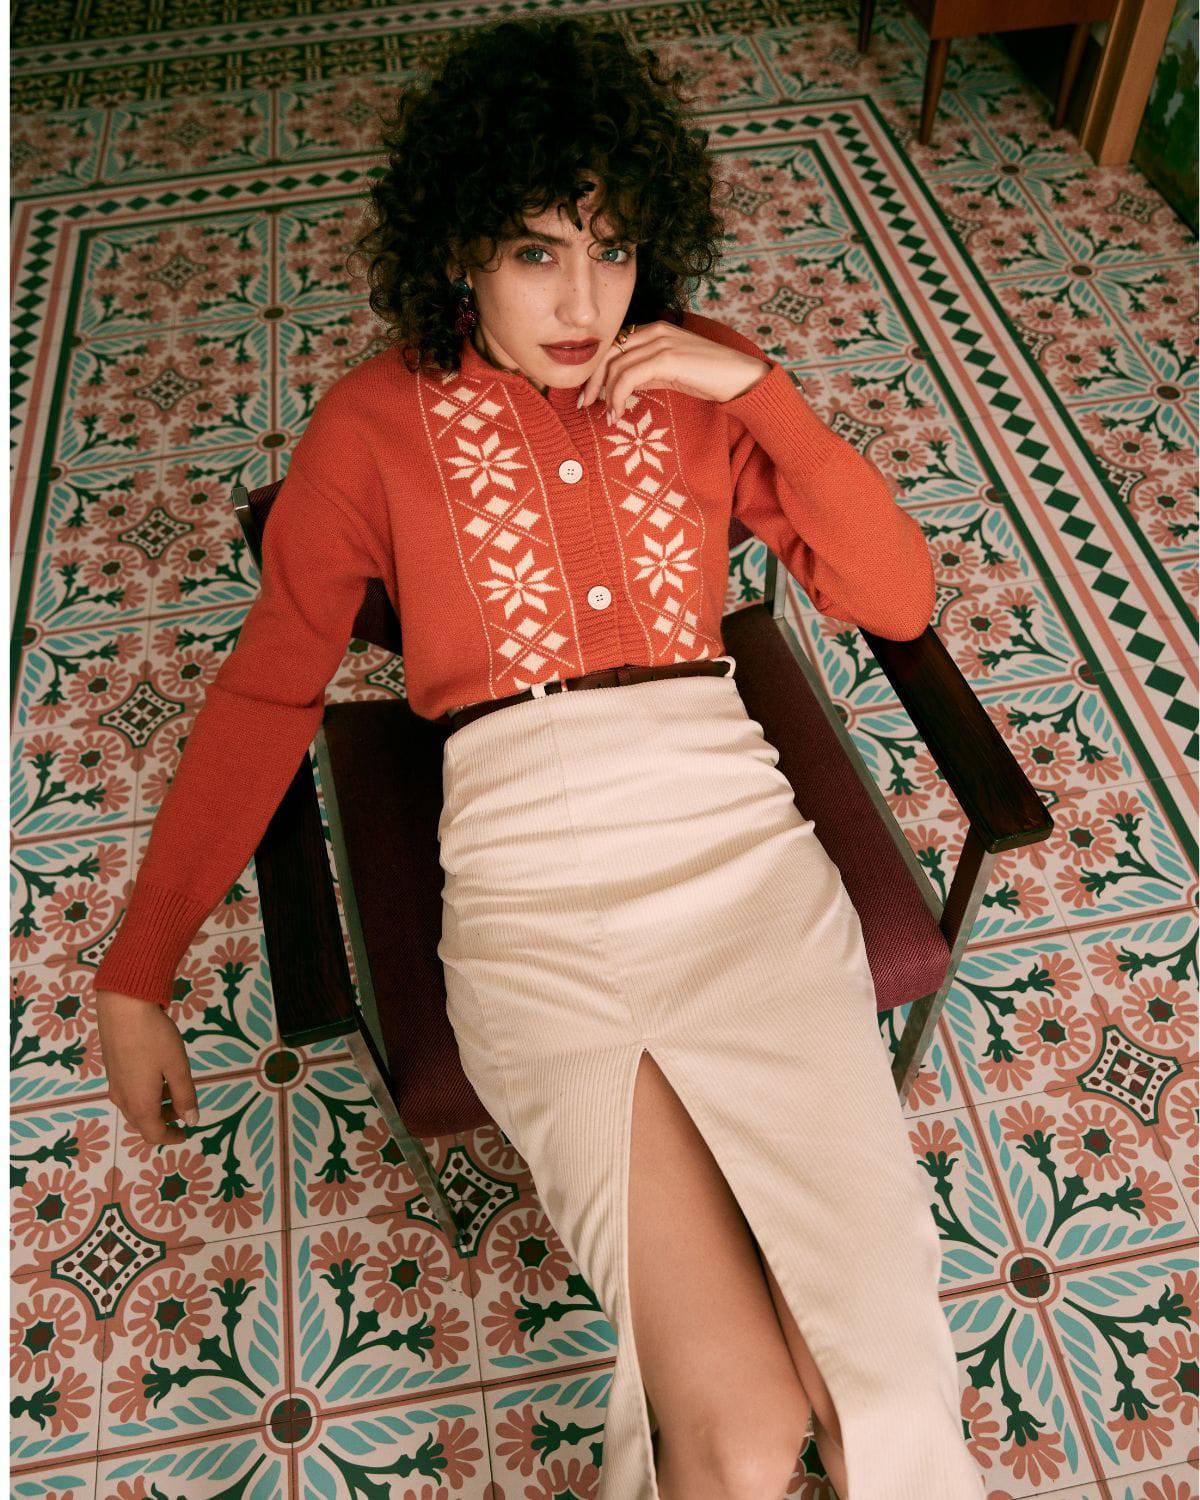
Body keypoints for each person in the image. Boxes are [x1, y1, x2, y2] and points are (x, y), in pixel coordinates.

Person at [94, 15, 987, 1499]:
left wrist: (759, 394)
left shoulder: (704, 378)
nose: (585, 301)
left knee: (889, 1400)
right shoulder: (369, 425)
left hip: (740, 864)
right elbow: (265, 693)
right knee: (740, 1432)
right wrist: (139, 968)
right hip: (532, 898)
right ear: (459, 247)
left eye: (614, 248)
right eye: (535, 252)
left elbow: (897, 598)